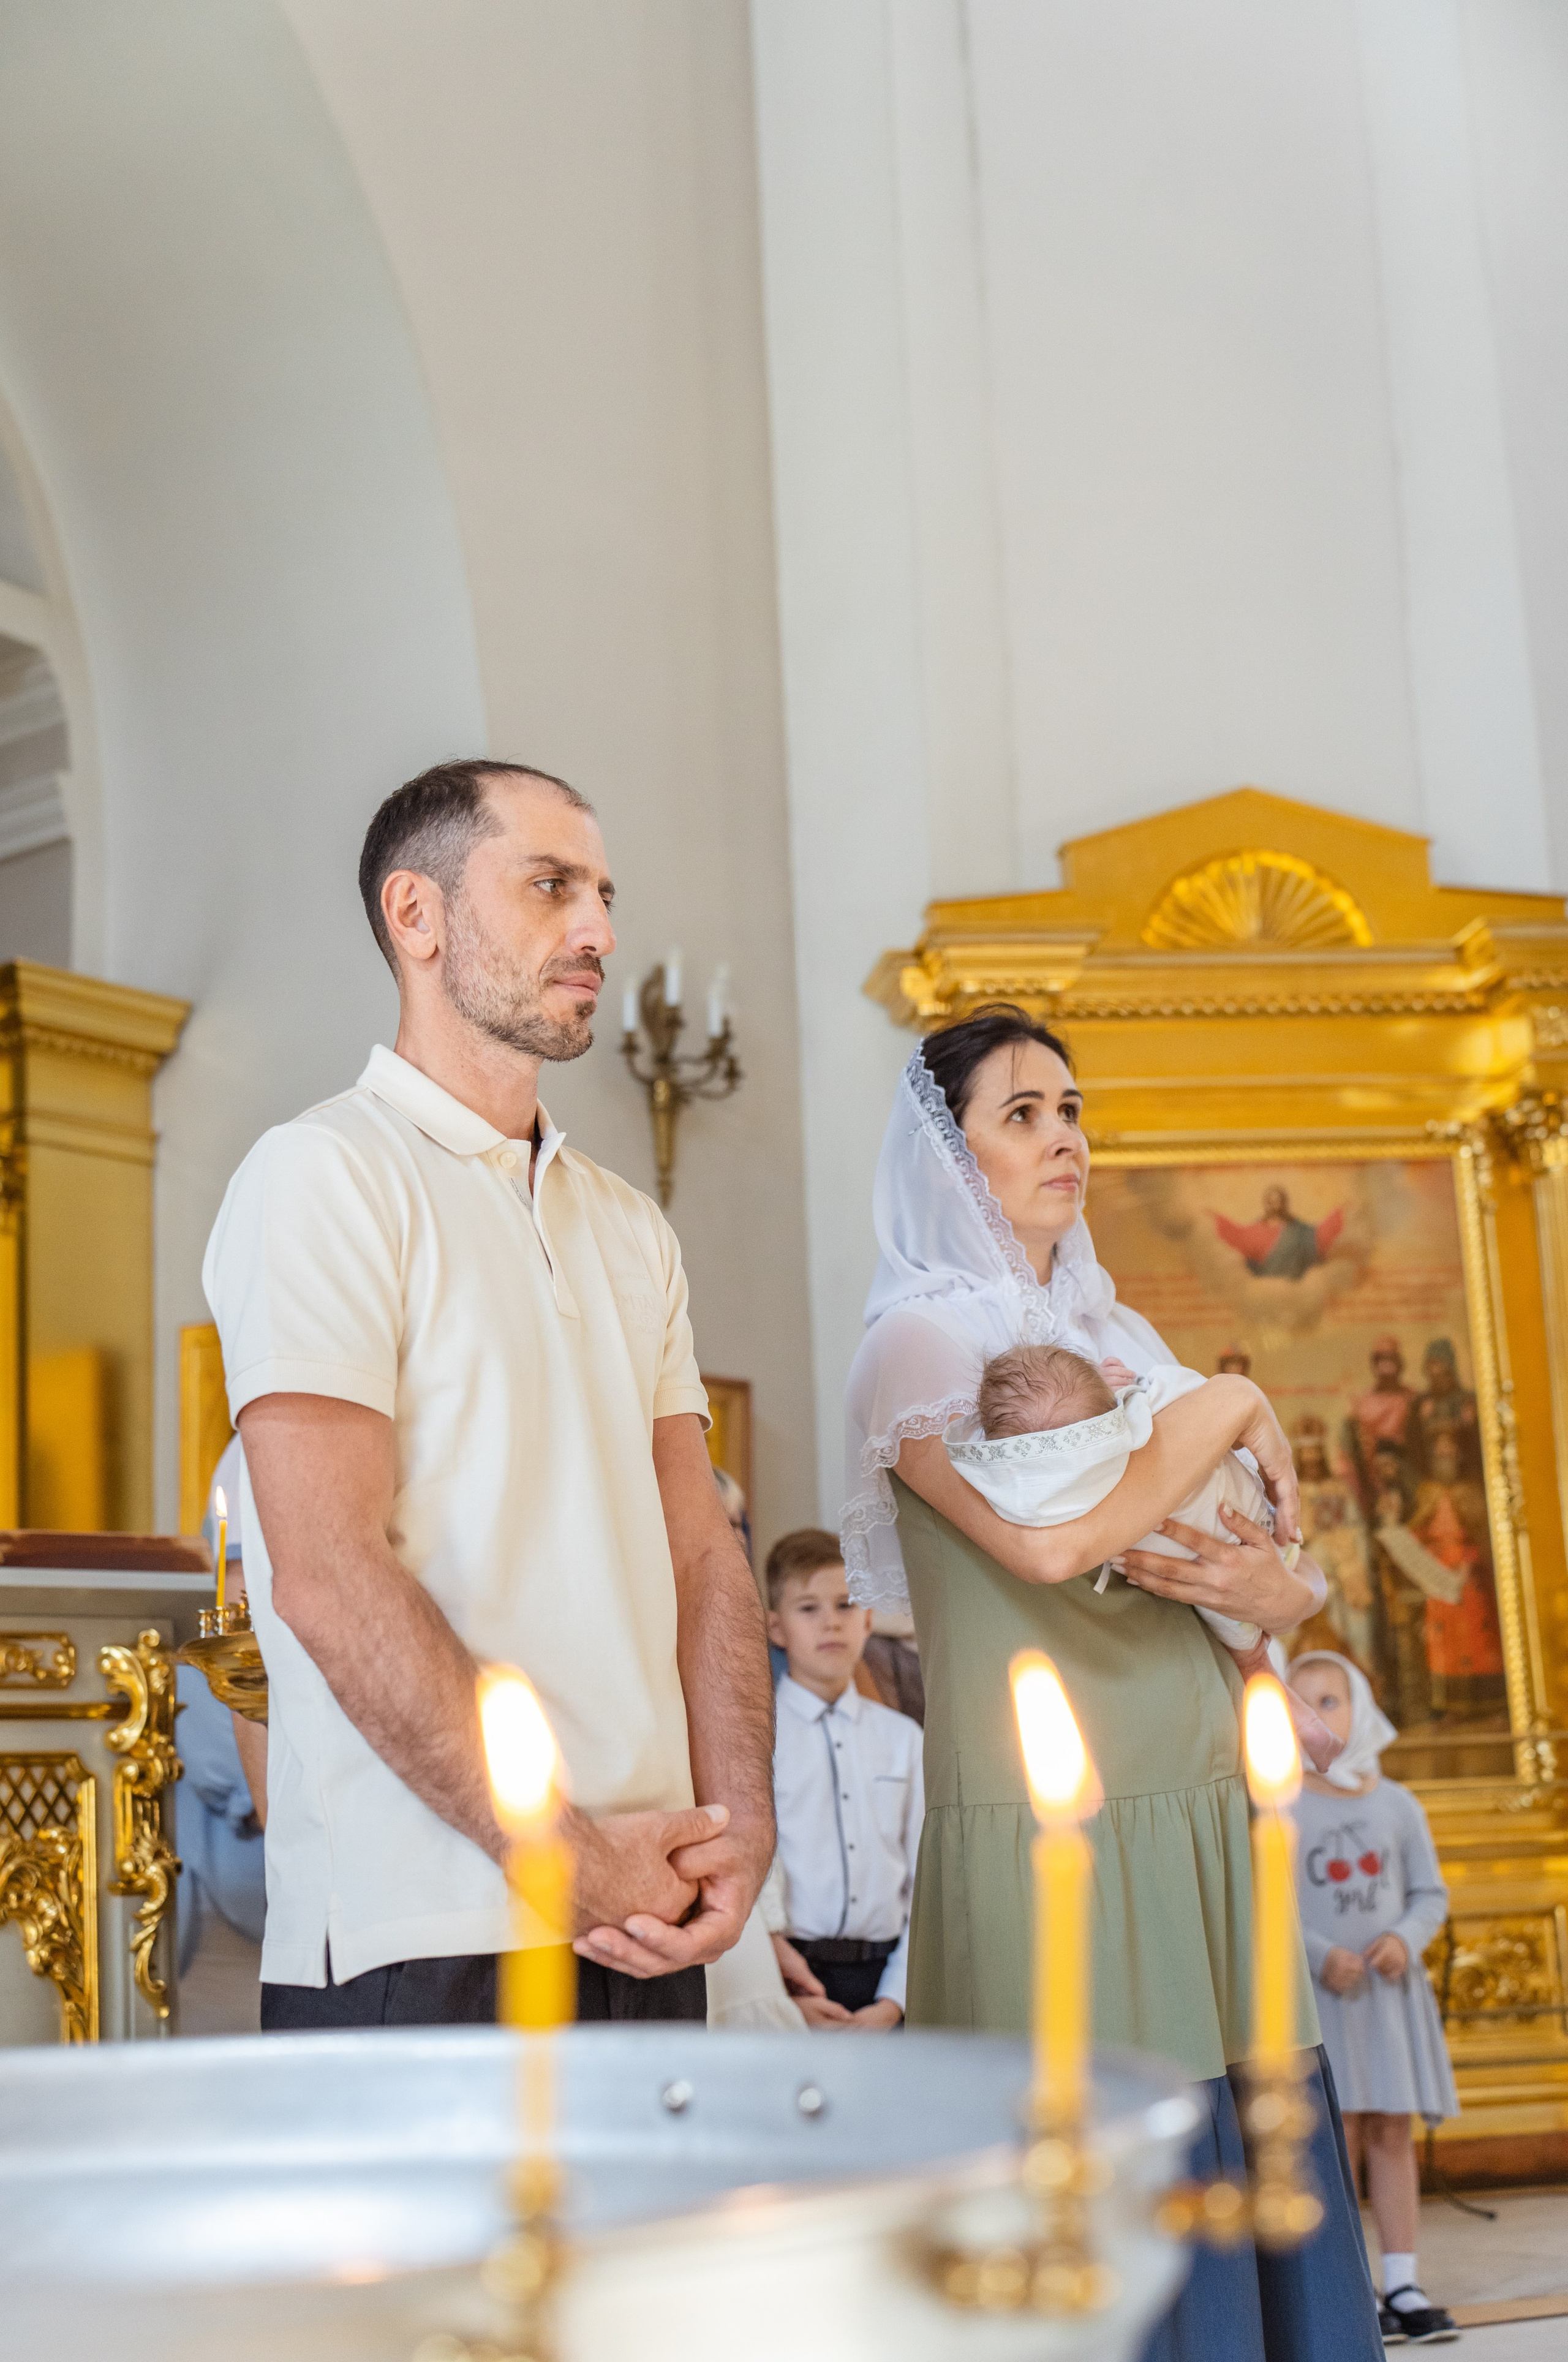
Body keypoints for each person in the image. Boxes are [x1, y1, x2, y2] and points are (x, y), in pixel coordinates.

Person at [843, 1003, 1381, 2362]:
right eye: (1018, 1113)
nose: (1060, 1136)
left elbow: (1266, 1562)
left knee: (1250, 2164)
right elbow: (1050, 1543)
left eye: (1069, 1108)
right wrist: (1231, 1399)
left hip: (1201, 1794)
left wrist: (1283, 1592)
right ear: (942, 1154)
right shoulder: (913, 1341)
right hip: (1047, 1817)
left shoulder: (1122, 1328)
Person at [203, 758, 774, 2029]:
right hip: (427, 1917)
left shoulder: (631, 1226)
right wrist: (559, 1851)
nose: (599, 932)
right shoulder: (322, 1174)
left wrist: (739, 1824)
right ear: (417, 916)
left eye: (605, 895)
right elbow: (329, 1575)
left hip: (648, 1899)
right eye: (551, 886)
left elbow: (704, 1557)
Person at [948, 1342, 1340, 1771]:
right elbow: (1198, 1394)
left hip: (1209, 1560)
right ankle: (1302, 1720)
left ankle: (1302, 1721)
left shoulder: (1042, 1496)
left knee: (1251, 1658)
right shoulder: (1143, 1408)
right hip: (1247, 1519)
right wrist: (1130, 1385)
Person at [1286, 1653, 1460, 2347]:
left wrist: (1402, 1937)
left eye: (1330, 1701)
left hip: (1387, 1997)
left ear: (1360, 1708)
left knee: (1391, 2129)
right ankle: (1349, 2284)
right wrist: (1319, 1952)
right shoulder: (1280, 1804)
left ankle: (1403, 2279)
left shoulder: (1398, 1804)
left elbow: (1430, 1895)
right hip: (1324, 1998)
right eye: (1299, 1706)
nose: (1316, 1718)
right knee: (1338, 2135)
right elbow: (1265, 1900)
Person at [763, 1528, 921, 2031]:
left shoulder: (904, 1738)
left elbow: (924, 1879)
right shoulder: (755, 1739)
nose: (830, 1621)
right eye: (808, 1608)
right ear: (776, 1627)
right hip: (792, 1975)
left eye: (846, 1604)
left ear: (869, 1618)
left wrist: (893, 2002)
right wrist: (783, 1995)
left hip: (886, 1977)